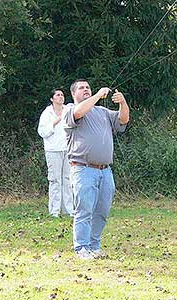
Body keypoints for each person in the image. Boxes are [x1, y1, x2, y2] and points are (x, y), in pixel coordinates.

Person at [63, 79, 130, 259]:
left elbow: (123, 120)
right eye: (81, 88)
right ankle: (81, 248)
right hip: (83, 170)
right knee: (84, 210)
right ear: (73, 94)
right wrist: (97, 95)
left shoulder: (103, 112)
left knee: (102, 211)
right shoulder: (69, 109)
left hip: (105, 171)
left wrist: (123, 102)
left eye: (88, 87)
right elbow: (79, 112)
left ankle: (94, 245)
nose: (85, 90)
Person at [37, 89, 74, 218]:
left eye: (62, 95)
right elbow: (42, 132)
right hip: (53, 150)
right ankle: (54, 210)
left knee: (67, 179)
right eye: (57, 95)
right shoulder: (47, 113)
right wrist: (55, 122)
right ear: (52, 99)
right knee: (55, 180)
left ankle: (68, 209)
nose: (60, 97)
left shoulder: (68, 109)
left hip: (67, 149)